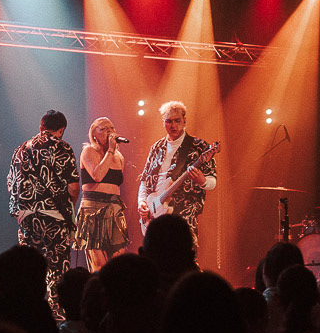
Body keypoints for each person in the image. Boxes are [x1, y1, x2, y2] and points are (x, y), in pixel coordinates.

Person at [7, 110, 79, 318]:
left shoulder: (20, 149)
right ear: (61, 130)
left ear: (41, 126)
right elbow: (73, 187)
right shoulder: (63, 148)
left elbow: (10, 183)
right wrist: (69, 210)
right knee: (56, 270)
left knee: (28, 270)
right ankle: (57, 318)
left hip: (26, 217)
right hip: (54, 217)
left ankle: (27, 315)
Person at [136, 100, 217, 241]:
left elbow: (212, 181)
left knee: (181, 253)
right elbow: (144, 180)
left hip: (183, 217)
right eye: (169, 121)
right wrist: (142, 202)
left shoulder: (199, 146)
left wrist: (202, 181)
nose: (173, 125)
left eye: (177, 121)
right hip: (154, 214)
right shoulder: (156, 147)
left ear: (184, 121)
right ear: (163, 122)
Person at [74, 116, 128, 271]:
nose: (109, 131)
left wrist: (112, 152)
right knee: (99, 265)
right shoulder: (88, 151)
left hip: (114, 210)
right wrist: (110, 151)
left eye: (111, 128)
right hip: (93, 210)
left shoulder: (119, 157)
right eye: (103, 129)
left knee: (118, 263)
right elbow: (97, 176)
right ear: (94, 135)